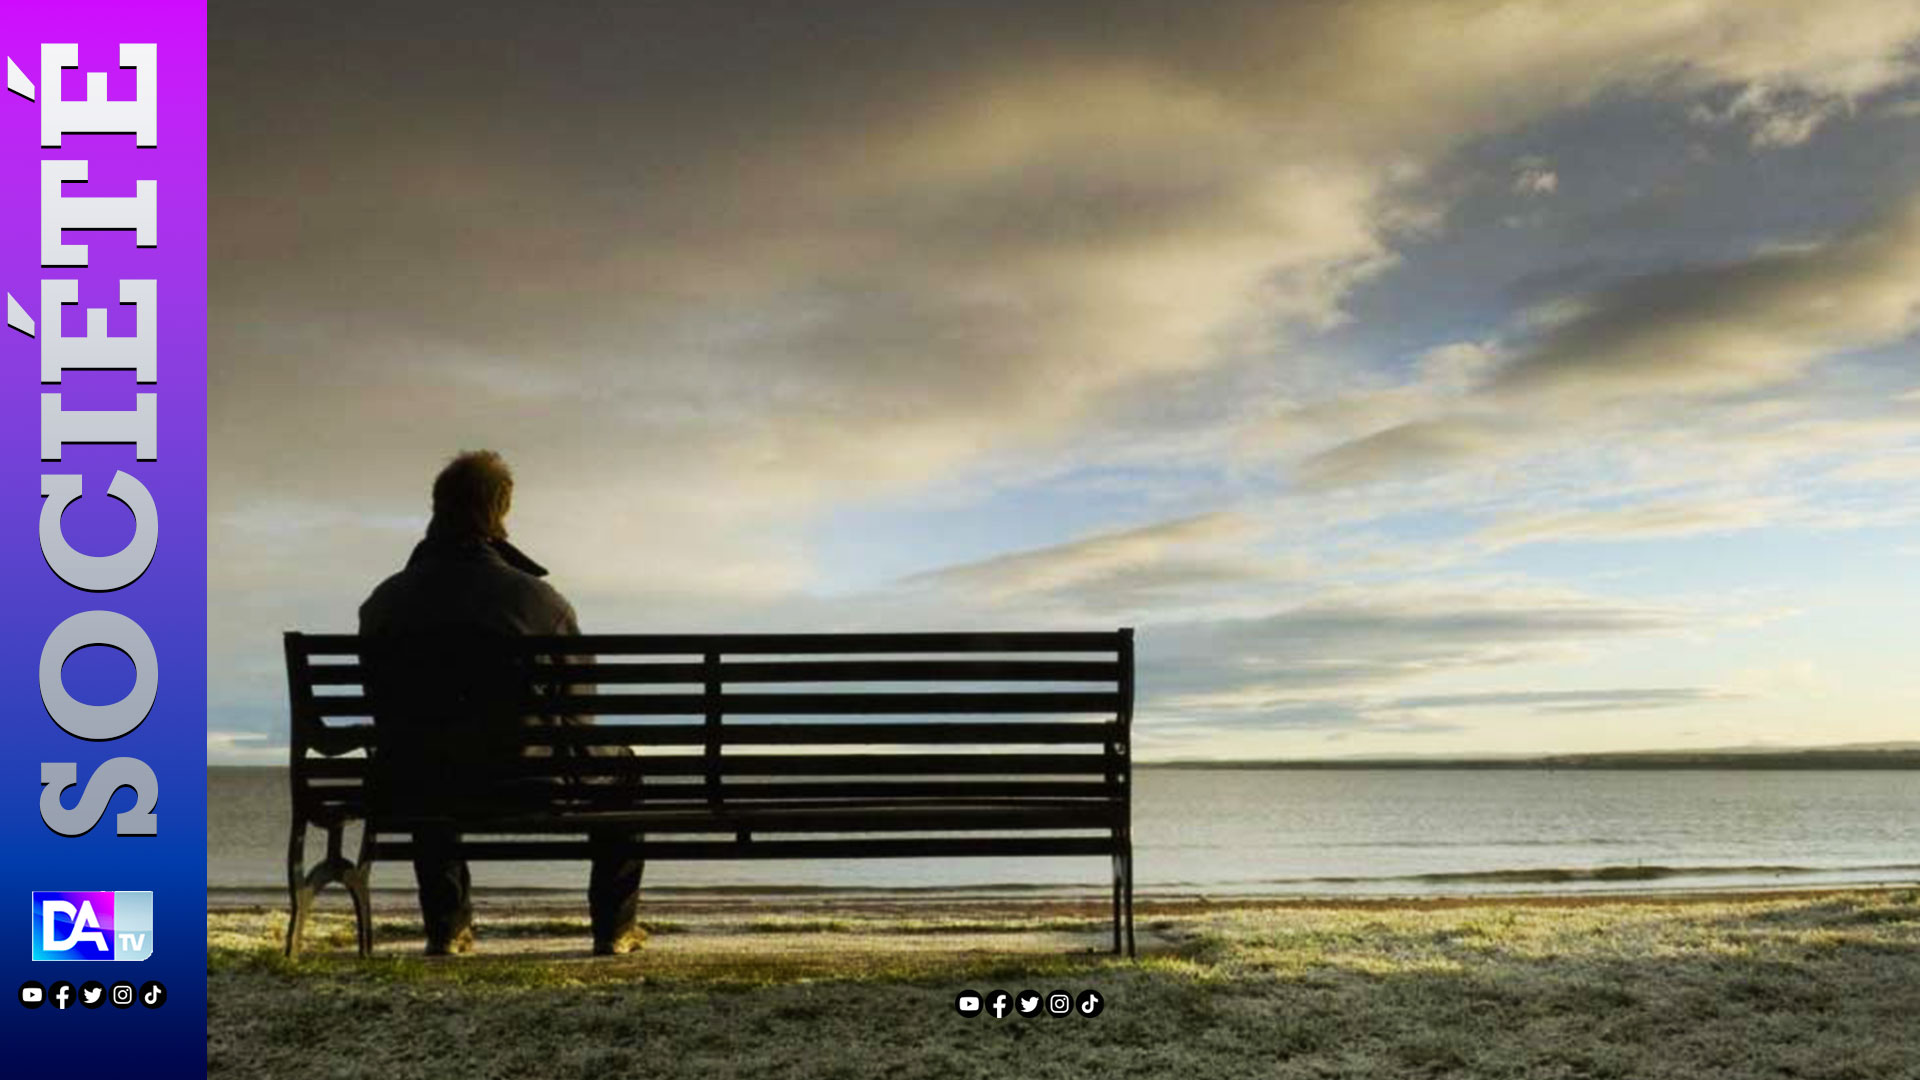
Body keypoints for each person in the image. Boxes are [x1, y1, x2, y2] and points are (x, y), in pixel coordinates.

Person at [358, 450, 645, 956]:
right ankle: (614, 928)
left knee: (426, 759)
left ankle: (447, 927)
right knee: (624, 770)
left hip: (418, 783)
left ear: (437, 507)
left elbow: (383, 709)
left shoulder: (385, 602)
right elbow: (580, 715)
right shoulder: (541, 602)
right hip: (528, 780)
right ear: (501, 509)